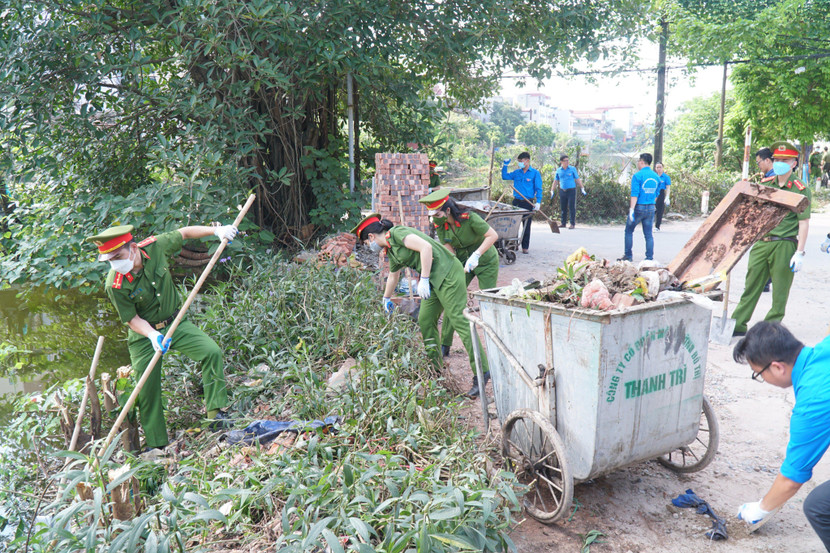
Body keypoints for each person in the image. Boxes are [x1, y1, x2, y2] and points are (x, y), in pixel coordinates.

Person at [86, 223, 238, 453]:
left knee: (211, 352)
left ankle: (216, 416)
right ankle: (157, 445)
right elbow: (131, 319)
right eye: (109, 260)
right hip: (144, 335)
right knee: (147, 388)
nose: (115, 264)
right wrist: (152, 335)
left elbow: (184, 233)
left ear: (134, 248)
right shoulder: (114, 284)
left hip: (176, 323)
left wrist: (216, 231)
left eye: (118, 256)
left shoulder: (155, 248)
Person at [352, 213, 490, 398]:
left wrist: (423, 279)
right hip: (434, 281)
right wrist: (386, 299)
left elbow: (426, 247)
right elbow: (393, 276)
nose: (369, 247)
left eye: (366, 244)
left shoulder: (396, 234)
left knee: (458, 320)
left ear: (370, 237)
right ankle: (437, 372)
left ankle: (482, 373)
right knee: (425, 321)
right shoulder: (391, 250)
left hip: (448, 275)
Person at [733, 321, 830, 549]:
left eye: (758, 374)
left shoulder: (812, 402)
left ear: (777, 367)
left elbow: (790, 480)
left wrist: (759, 510)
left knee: (819, 506)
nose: (763, 380)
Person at [732, 141, 811, 337]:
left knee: (780, 292)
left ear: (794, 163)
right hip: (762, 242)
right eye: (777, 160)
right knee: (751, 286)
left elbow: (804, 223)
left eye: (785, 160)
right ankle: (738, 324)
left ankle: (770, 328)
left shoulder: (800, 189)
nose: (779, 163)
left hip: (785, 243)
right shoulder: (765, 185)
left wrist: (800, 253)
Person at [419, 189, 498, 361]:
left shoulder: (469, 218)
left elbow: (493, 235)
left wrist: (476, 255)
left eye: (437, 213)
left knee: (487, 301)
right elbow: (448, 249)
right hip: (463, 262)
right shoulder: (440, 225)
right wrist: (452, 267)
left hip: (485, 261)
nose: (434, 218)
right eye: (431, 214)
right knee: (453, 299)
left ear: (447, 210)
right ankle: (445, 344)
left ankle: (493, 345)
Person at [619, 153, 659, 262]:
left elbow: (634, 194)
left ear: (641, 162)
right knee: (648, 234)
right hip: (651, 207)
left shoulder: (637, 176)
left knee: (629, 231)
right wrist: (651, 203)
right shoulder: (656, 176)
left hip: (639, 207)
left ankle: (628, 256)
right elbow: (656, 194)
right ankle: (649, 258)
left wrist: (631, 209)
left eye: (638, 161)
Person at [502, 151, 543, 254]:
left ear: (527, 161)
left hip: (528, 202)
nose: (520, 163)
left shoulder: (535, 173)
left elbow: (539, 189)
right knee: (513, 224)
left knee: (526, 225)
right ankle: (513, 245)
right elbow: (505, 177)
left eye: (521, 161)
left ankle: (525, 247)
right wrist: (505, 166)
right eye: (519, 161)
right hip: (516, 202)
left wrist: (538, 202)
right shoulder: (516, 173)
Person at [552, 154, 586, 230]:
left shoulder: (572, 169)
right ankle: (563, 223)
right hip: (562, 191)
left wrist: (582, 188)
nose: (567, 162)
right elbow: (556, 181)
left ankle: (572, 223)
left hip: (571, 190)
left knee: (571, 207)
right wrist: (552, 190)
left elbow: (577, 179)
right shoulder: (559, 170)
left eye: (568, 160)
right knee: (563, 207)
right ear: (561, 162)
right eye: (565, 161)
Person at [654, 162, 671, 231]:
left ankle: (657, 226)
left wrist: (667, 197)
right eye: (657, 167)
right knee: (652, 209)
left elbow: (668, 188)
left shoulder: (666, 177)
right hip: (654, 193)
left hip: (661, 193)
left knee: (659, 210)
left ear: (662, 168)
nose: (659, 169)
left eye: (660, 167)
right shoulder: (654, 176)